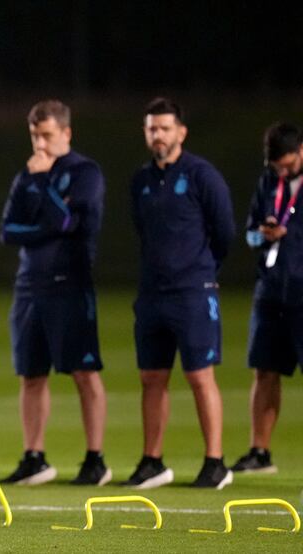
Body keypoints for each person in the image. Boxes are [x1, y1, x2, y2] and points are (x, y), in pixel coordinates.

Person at [125, 97, 236, 489]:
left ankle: (215, 462)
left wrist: (203, 272)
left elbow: (224, 232)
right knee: (151, 378)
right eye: (152, 128)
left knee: (199, 375)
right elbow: (144, 231)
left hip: (192, 291)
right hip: (153, 294)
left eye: (165, 128)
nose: (158, 134)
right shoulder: (141, 181)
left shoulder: (202, 175)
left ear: (181, 132)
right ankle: (153, 461)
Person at [0, 99, 110, 486]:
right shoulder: (27, 175)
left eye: (46, 135)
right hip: (30, 286)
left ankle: (95, 459)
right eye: (34, 136)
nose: (40, 144)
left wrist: (45, 186)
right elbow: (8, 231)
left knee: (83, 372)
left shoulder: (85, 173)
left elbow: (68, 223)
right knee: (31, 375)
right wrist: (49, 223)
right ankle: (35, 457)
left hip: (70, 284)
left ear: (66, 133)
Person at [232, 122, 303, 474]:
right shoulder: (267, 181)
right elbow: (248, 233)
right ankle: (259, 452)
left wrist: (291, 233)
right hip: (271, 288)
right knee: (264, 370)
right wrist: (264, 235)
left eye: (288, 165)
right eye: (277, 166)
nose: (283, 171)